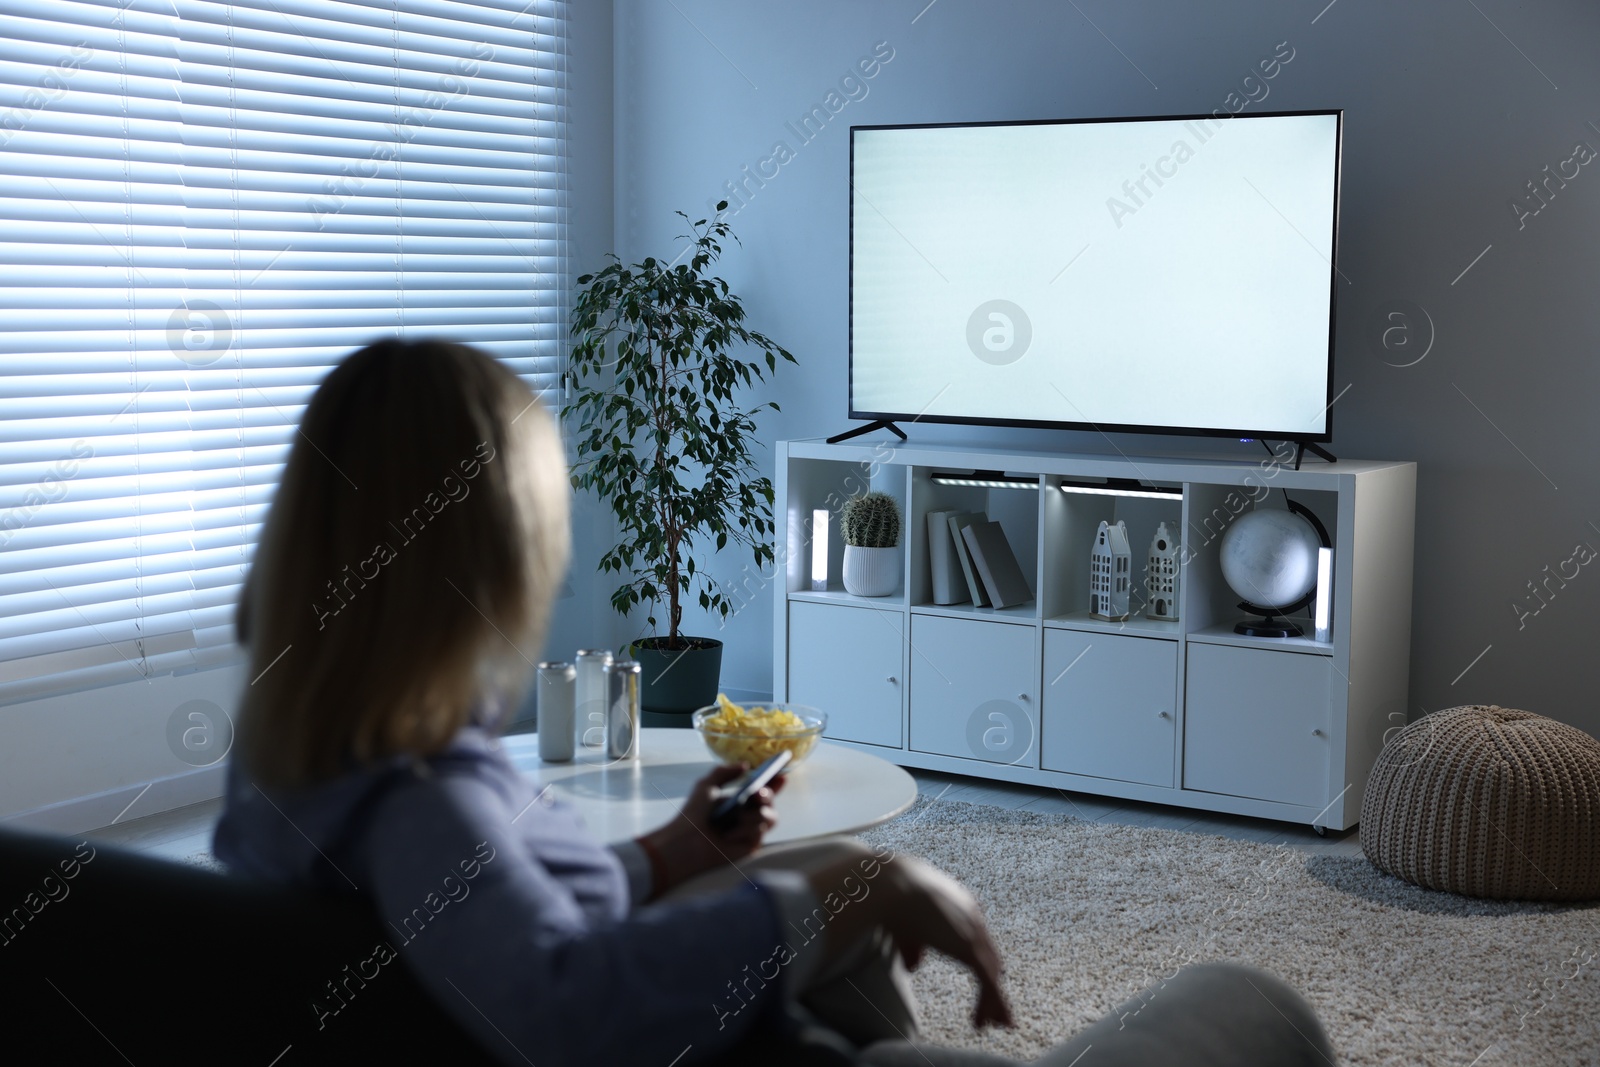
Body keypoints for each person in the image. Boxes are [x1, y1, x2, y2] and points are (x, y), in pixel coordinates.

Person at [213, 338, 1335, 1067]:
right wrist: (852, 882)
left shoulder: (304, 777)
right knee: (1247, 997)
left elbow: (507, 914)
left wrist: (673, 851)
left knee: (781, 881)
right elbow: (561, 1009)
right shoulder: (423, 807)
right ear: (494, 554)